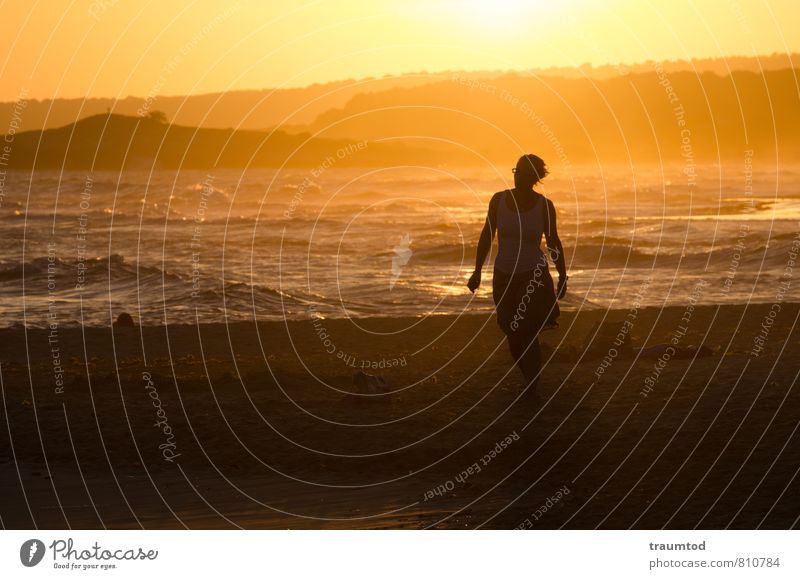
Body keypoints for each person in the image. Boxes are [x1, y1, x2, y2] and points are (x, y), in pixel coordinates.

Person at [467, 154, 567, 389]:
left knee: (527, 331)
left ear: (535, 177)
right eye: (516, 171)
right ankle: (531, 378)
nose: (518, 177)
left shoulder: (544, 206)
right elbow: (486, 235)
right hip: (503, 274)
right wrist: (477, 270)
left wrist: (562, 274)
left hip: (533, 273)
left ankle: (533, 385)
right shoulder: (498, 200)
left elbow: (553, 241)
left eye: (523, 173)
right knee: (510, 331)